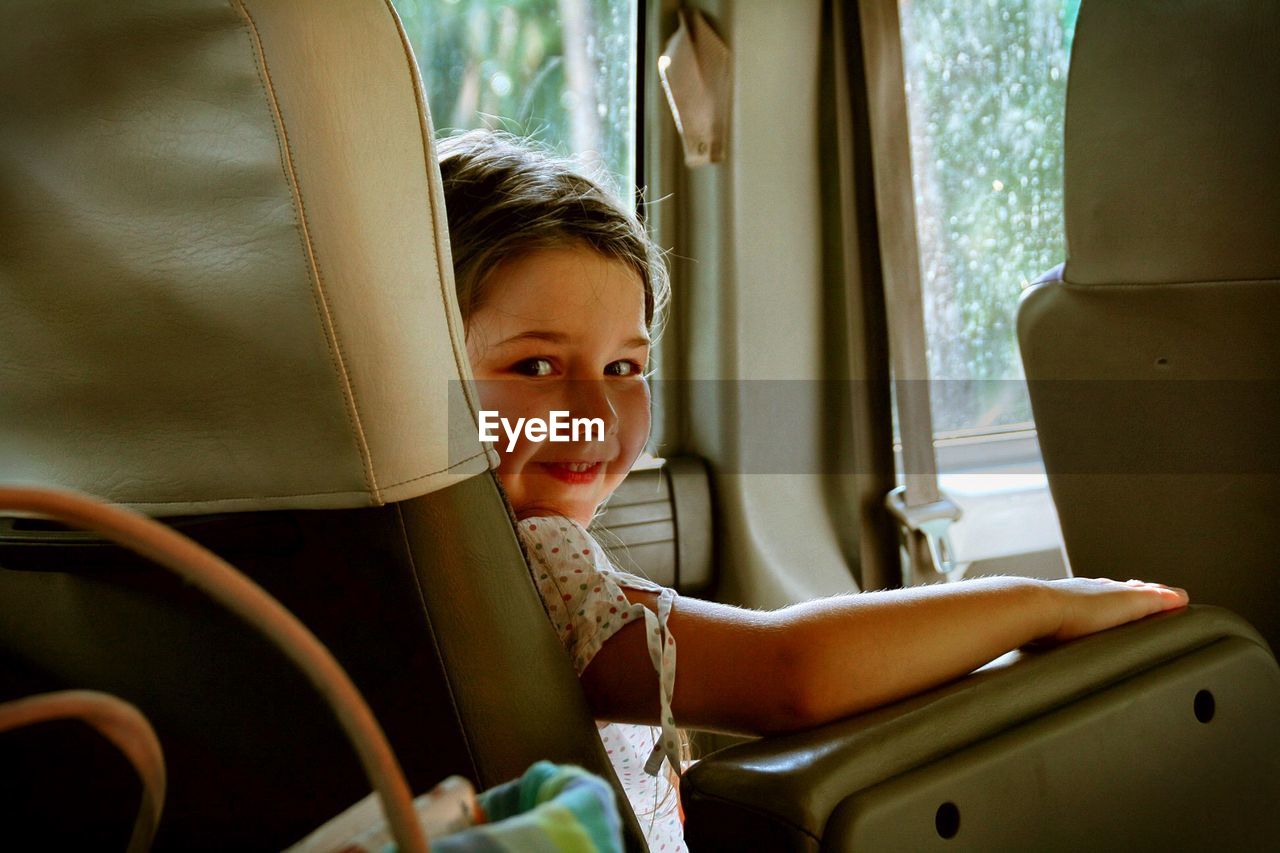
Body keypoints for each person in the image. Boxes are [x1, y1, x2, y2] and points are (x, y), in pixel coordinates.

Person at [436, 130, 1189, 851]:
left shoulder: (440, 552)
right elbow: (790, 672)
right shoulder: (528, 561)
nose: (597, 414)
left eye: (625, 369)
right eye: (535, 367)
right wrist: (1045, 602)